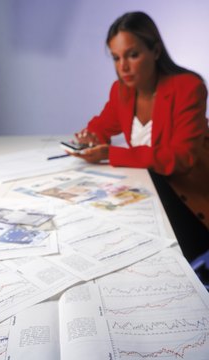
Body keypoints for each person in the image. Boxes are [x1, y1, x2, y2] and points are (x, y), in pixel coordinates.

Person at [67, 11, 209, 262]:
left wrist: (110, 153)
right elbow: (103, 124)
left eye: (133, 55)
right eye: (116, 58)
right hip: (152, 189)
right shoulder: (121, 90)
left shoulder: (188, 87)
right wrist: (92, 137)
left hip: (193, 199)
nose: (123, 67)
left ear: (155, 51)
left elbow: (181, 158)